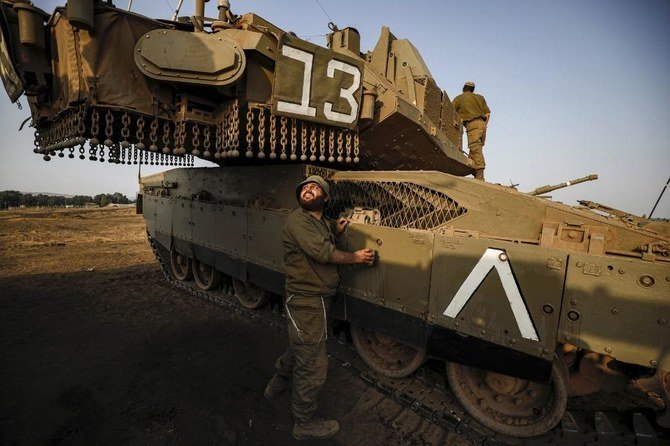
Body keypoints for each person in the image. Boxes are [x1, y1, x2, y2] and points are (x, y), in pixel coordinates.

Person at [264, 175, 375, 440]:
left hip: (314, 299)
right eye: (305, 187)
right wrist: (355, 258)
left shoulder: (319, 221)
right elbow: (322, 253)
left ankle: (276, 385)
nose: (308, 189)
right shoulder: (297, 220)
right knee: (313, 363)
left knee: (299, 346)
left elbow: (323, 229)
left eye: (315, 188)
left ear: (325, 199)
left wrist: (335, 229)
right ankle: (303, 422)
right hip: (306, 300)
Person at [452, 81, 491, 181]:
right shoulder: (480, 97)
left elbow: (450, 110)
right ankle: (475, 173)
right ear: (473, 90)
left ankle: (480, 178)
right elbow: (488, 114)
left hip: (472, 125)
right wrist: (483, 125)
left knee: (475, 149)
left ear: (463, 89)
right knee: (475, 150)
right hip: (482, 125)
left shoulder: (459, 98)